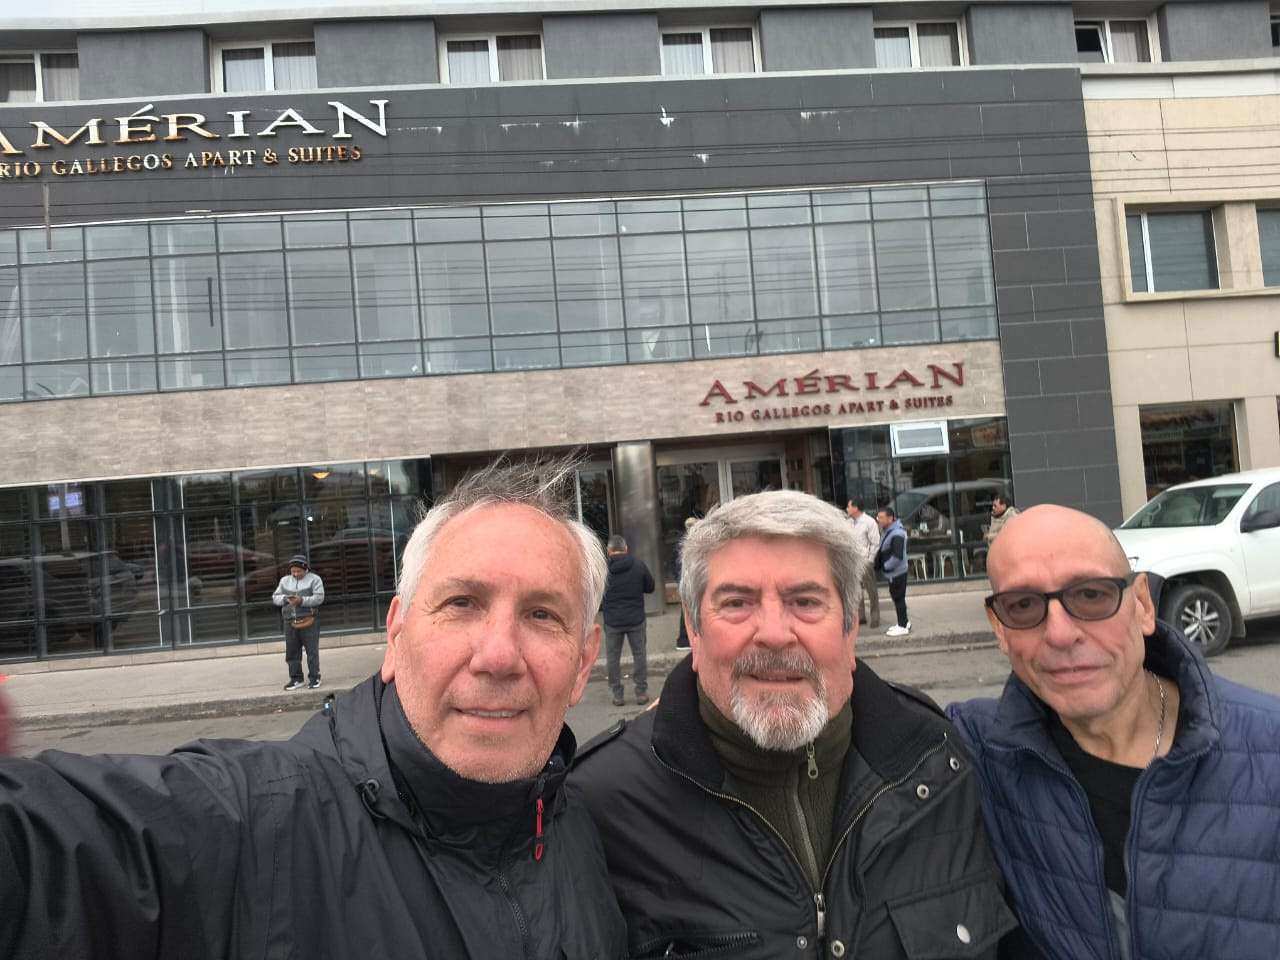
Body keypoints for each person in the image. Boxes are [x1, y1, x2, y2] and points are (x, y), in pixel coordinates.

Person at [0, 459, 627, 960]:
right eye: (461, 603)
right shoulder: (255, 826)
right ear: (396, 635)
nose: (498, 656)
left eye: (542, 615)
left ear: (583, 662)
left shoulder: (582, 828)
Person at [572, 490, 1017, 959]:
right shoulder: (601, 806)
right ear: (694, 631)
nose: (774, 634)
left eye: (805, 601)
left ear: (850, 628)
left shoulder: (938, 762)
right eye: (737, 603)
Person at [948, 505, 1280, 960]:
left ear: (1142, 604)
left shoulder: (1269, 748)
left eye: (1091, 595)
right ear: (1000, 630)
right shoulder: (976, 750)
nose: (1060, 634)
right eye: (1023, 606)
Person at [601, 534, 655, 706]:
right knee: (639, 655)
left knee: (613, 658)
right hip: (636, 619)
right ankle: (641, 692)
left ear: (609, 551)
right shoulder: (638, 565)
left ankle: (617, 695)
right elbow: (650, 587)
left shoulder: (603, 570)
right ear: (626, 549)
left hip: (612, 621)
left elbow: (597, 595)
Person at [272, 554, 325, 690]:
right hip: (290, 621)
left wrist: (302, 601)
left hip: (309, 620)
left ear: (305, 569)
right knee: (292, 652)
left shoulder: (315, 579)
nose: (295, 574)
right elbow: (275, 597)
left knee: (311, 651)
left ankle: (315, 677)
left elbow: (319, 598)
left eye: (298, 571)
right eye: (293, 571)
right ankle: (296, 679)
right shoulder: (284, 581)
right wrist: (285, 599)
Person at [875, 505, 910, 636]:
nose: (879, 520)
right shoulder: (889, 530)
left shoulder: (897, 533)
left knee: (898, 598)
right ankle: (904, 622)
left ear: (890, 518)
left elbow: (897, 557)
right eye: (878, 517)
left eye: (881, 517)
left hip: (897, 572)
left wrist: (885, 566)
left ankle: (902, 626)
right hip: (893, 572)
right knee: (897, 598)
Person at [845, 498, 880, 629]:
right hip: (853, 561)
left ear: (856, 508)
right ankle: (861, 617)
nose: (847, 509)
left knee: (871, 591)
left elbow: (875, 543)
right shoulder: (848, 522)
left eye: (849, 506)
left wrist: (870, 560)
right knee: (857, 590)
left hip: (865, 561)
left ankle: (875, 617)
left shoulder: (869, 522)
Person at [675, 516, 698, 650]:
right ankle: (686, 639)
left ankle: (685, 639)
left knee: (687, 611)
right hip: (690, 581)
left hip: (687, 581)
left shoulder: (682, 544)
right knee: (690, 610)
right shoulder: (692, 544)